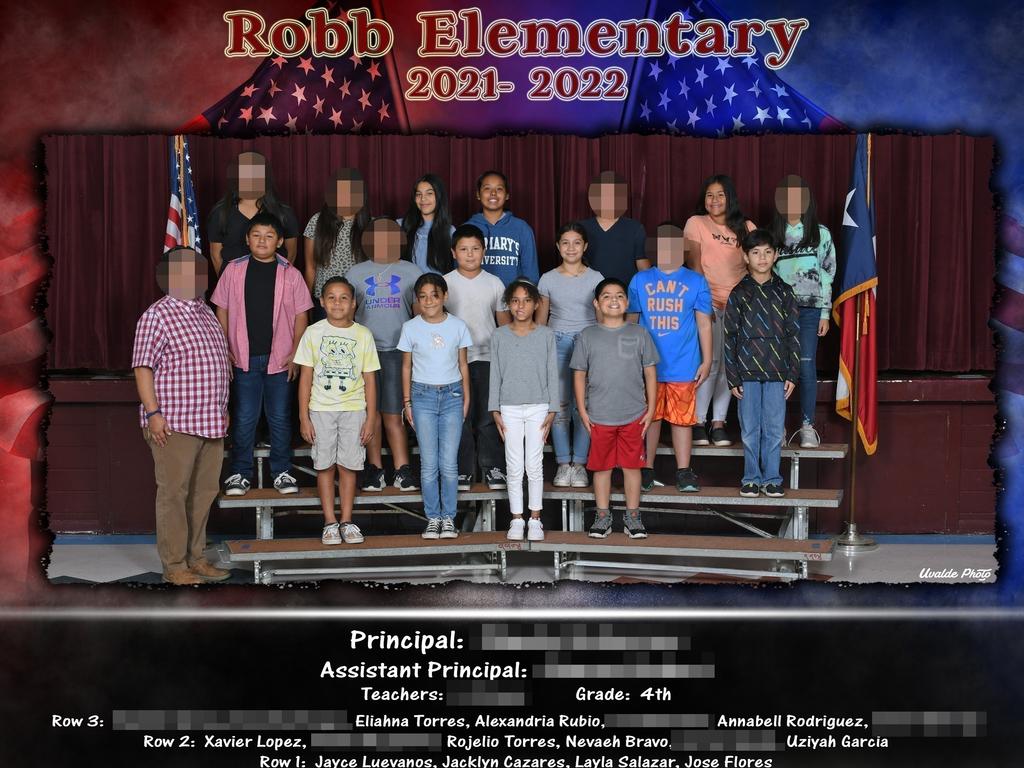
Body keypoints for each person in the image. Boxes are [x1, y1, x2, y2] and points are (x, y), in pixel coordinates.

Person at [132, 246, 231, 585]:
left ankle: (196, 558)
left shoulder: (205, 312)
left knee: (203, 494)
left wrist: (222, 409)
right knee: (173, 493)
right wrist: (153, 413)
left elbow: (219, 365)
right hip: (173, 422)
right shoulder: (156, 315)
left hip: (210, 421)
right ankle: (174, 566)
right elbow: (143, 368)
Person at [211, 213, 313, 497]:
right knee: (244, 417)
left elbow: (301, 315)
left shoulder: (290, 273)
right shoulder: (233, 270)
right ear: (247, 239)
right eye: (256, 235)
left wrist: (295, 353)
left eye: (269, 236)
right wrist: (224, 348)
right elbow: (222, 309)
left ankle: (282, 471)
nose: (262, 241)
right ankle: (239, 473)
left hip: (279, 360)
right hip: (242, 357)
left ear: (280, 241)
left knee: (280, 416)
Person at [628, 223, 713, 493]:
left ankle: (684, 471)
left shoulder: (696, 281)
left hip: (683, 364)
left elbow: (704, 324)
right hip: (649, 364)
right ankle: (647, 468)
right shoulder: (640, 280)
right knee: (650, 418)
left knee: (682, 419)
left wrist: (707, 360)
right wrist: (630, 359)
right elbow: (632, 321)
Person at [572, 278, 659, 539]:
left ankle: (633, 516)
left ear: (627, 301)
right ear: (596, 303)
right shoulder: (587, 335)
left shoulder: (639, 333)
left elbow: (651, 373)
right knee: (602, 468)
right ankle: (602, 516)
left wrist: (651, 409)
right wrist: (583, 411)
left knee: (633, 467)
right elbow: (579, 375)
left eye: (620, 296)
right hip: (599, 414)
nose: (614, 300)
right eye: (607, 296)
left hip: (634, 414)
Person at [295, 277, 379, 545]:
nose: (337, 303)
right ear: (321, 302)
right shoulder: (312, 332)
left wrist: (371, 419)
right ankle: (329, 522)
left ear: (354, 303)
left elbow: (370, 380)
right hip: (321, 410)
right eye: (331, 297)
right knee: (325, 465)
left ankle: (347, 519)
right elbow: (305, 378)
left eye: (344, 297)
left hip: (354, 410)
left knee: (348, 465)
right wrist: (303, 417)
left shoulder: (363, 334)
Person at [346, 218, 422, 492]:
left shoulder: (411, 271)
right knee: (372, 413)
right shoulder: (355, 273)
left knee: (394, 412)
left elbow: (419, 313)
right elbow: (348, 315)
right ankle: (375, 468)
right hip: (366, 353)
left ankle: (403, 469)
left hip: (397, 351)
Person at [725, 230, 800, 498]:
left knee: (772, 427)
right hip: (746, 372)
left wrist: (793, 372)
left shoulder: (785, 292)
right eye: (756, 252)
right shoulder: (739, 293)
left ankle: (771, 478)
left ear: (776, 255)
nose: (762, 257)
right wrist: (732, 377)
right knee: (750, 429)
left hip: (777, 372)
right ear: (746, 256)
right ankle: (751, 478)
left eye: (768, 252)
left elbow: (793, 334)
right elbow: (729, 337)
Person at [683, 174, 756, 447]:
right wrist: (704, 301)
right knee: (709, 362)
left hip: (738, 304)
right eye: (710, 195)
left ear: (730, 198)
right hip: (707, 301)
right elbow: (694, 264)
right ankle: (698, 422)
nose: (714, 200)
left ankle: (719, 422)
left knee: (729, 365)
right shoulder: (696, 223)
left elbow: (755, 265)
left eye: (720, 195)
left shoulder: (746, 226)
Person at [398, 273, 472, 539]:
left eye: (434, 295)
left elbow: (463, 364)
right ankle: (433, 517)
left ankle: (448, 518)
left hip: (452, 395)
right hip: (422, 396)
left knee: (449, 463)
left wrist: (466, 397)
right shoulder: (410, 328)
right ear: (417, 300)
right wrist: (407, 402)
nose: (429, 301)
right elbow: (406, 367)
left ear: (444, 297)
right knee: (429, 464)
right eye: (423, 296)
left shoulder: (458, 326)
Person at [768, 174, 836, 448]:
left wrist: (825, 313)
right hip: (779, 312)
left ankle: (807, 425)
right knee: (779, 368)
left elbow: (828, 274)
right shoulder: (773, 234)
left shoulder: (820, 234)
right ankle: (778, 428)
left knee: (806, 367)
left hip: (809, 311)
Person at [489, 279, 559, 541]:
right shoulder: (499, 335)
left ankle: (535, 519)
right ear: (508, 303)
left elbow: (552, 372)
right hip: (509, 406)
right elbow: (495, 372)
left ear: (536, 304)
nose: (520, 306)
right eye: (515, 300)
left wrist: (552, 407)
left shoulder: (545, 335)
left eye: (527, 300)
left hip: (539, 406)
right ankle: (516, 519)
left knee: (535, 464)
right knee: (514, 464)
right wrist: (494, 408)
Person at [444, 224, 511, 490]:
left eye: (475, 249)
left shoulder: (494, 283)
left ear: (484, 251)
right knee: (460, 416)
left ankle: (493, 467)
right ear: (453, 252)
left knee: (487, 414)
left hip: (487, 358)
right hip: (452, 361)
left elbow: (504, 326)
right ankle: (463, 470)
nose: (470, 254)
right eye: (463, 249)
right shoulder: (446, 283)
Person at [537, 222, 604, 487]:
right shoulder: (548, 278)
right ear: (558, 246)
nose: (571, 248)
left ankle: (581, 464)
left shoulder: (596, 278)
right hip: (557, 342)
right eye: (565, 242)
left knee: (584, 406)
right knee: (559, 405)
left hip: (587, 342)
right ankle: (564, 463)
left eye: (577, 242)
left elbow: (601, 318)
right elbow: (542, 320)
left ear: (585, 246)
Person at [207, 151, 299, 273]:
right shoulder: (220, 213)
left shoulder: (284, 213)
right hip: (233, 285)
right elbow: (216, 256)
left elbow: (291, 253)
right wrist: (228, 284)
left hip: (273, 283)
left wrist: (280, 281)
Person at [304, 167, 370, 322]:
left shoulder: (369, 225)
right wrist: (305, 305)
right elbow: (310, 267)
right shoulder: (317, 221)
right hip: (325, 301)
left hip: (360, 301)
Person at [466, 170, 539, 285]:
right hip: (477, 299)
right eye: (487, 188)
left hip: (513, 300)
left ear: (507, 195)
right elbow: (459, 271)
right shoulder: (467, 228)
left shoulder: (522, 228)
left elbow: (530, 272)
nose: (493, 193)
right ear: (478, 195)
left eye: (499, 189)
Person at [579, 170, 650, 285]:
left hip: (625, 295)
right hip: (590, 294)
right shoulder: (582, 228)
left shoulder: (635, 228)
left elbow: (643, 268)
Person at [399, 173, 455, 274]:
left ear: (439, 196)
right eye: (418, 194)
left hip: (438, 288)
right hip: (406, 288)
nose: (423, 199)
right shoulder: (400, 226)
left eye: (429, 193)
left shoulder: (450, 232)